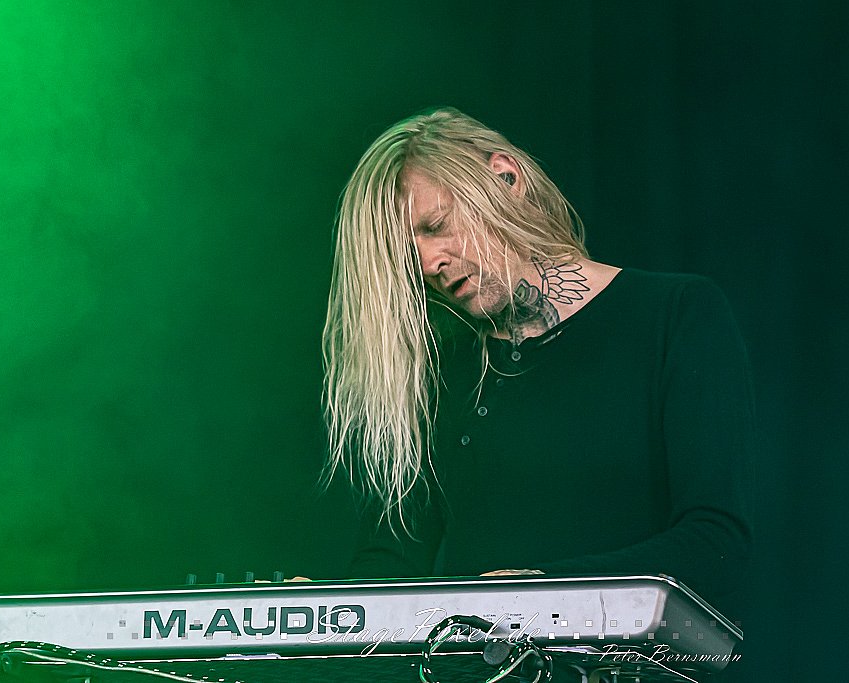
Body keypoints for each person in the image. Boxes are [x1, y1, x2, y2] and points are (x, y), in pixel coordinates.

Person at [321, 107, 754, 610]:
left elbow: (715, 542)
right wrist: (327, 609)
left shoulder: (675, 314)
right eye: (405, 252)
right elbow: (393, 557)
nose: (428, 263)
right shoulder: (437, 368)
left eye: (435, 225)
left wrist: (541, 592)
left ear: (506, 178)